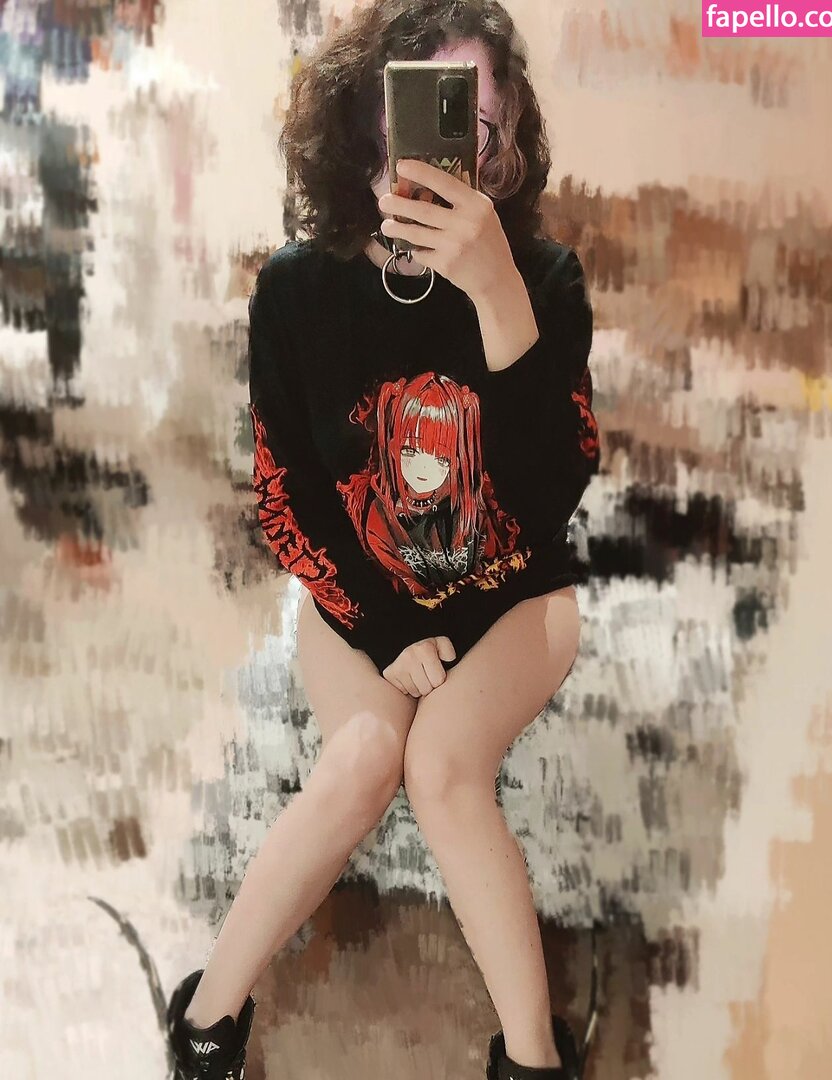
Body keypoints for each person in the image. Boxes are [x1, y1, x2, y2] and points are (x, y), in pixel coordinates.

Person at [165, 2, 601, 1078]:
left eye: (477, 125)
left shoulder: (544, 281)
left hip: (515, 593)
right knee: (363, 757)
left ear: (506, 143)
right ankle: (205, 1025)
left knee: (445, 769)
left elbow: (553, 495)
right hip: (365, 594)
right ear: (367, 119)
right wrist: (383, 628)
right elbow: (286, 495)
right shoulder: (296, 289)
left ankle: (533, 1059)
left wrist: (496, 294)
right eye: (424, 110)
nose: (450, 150)